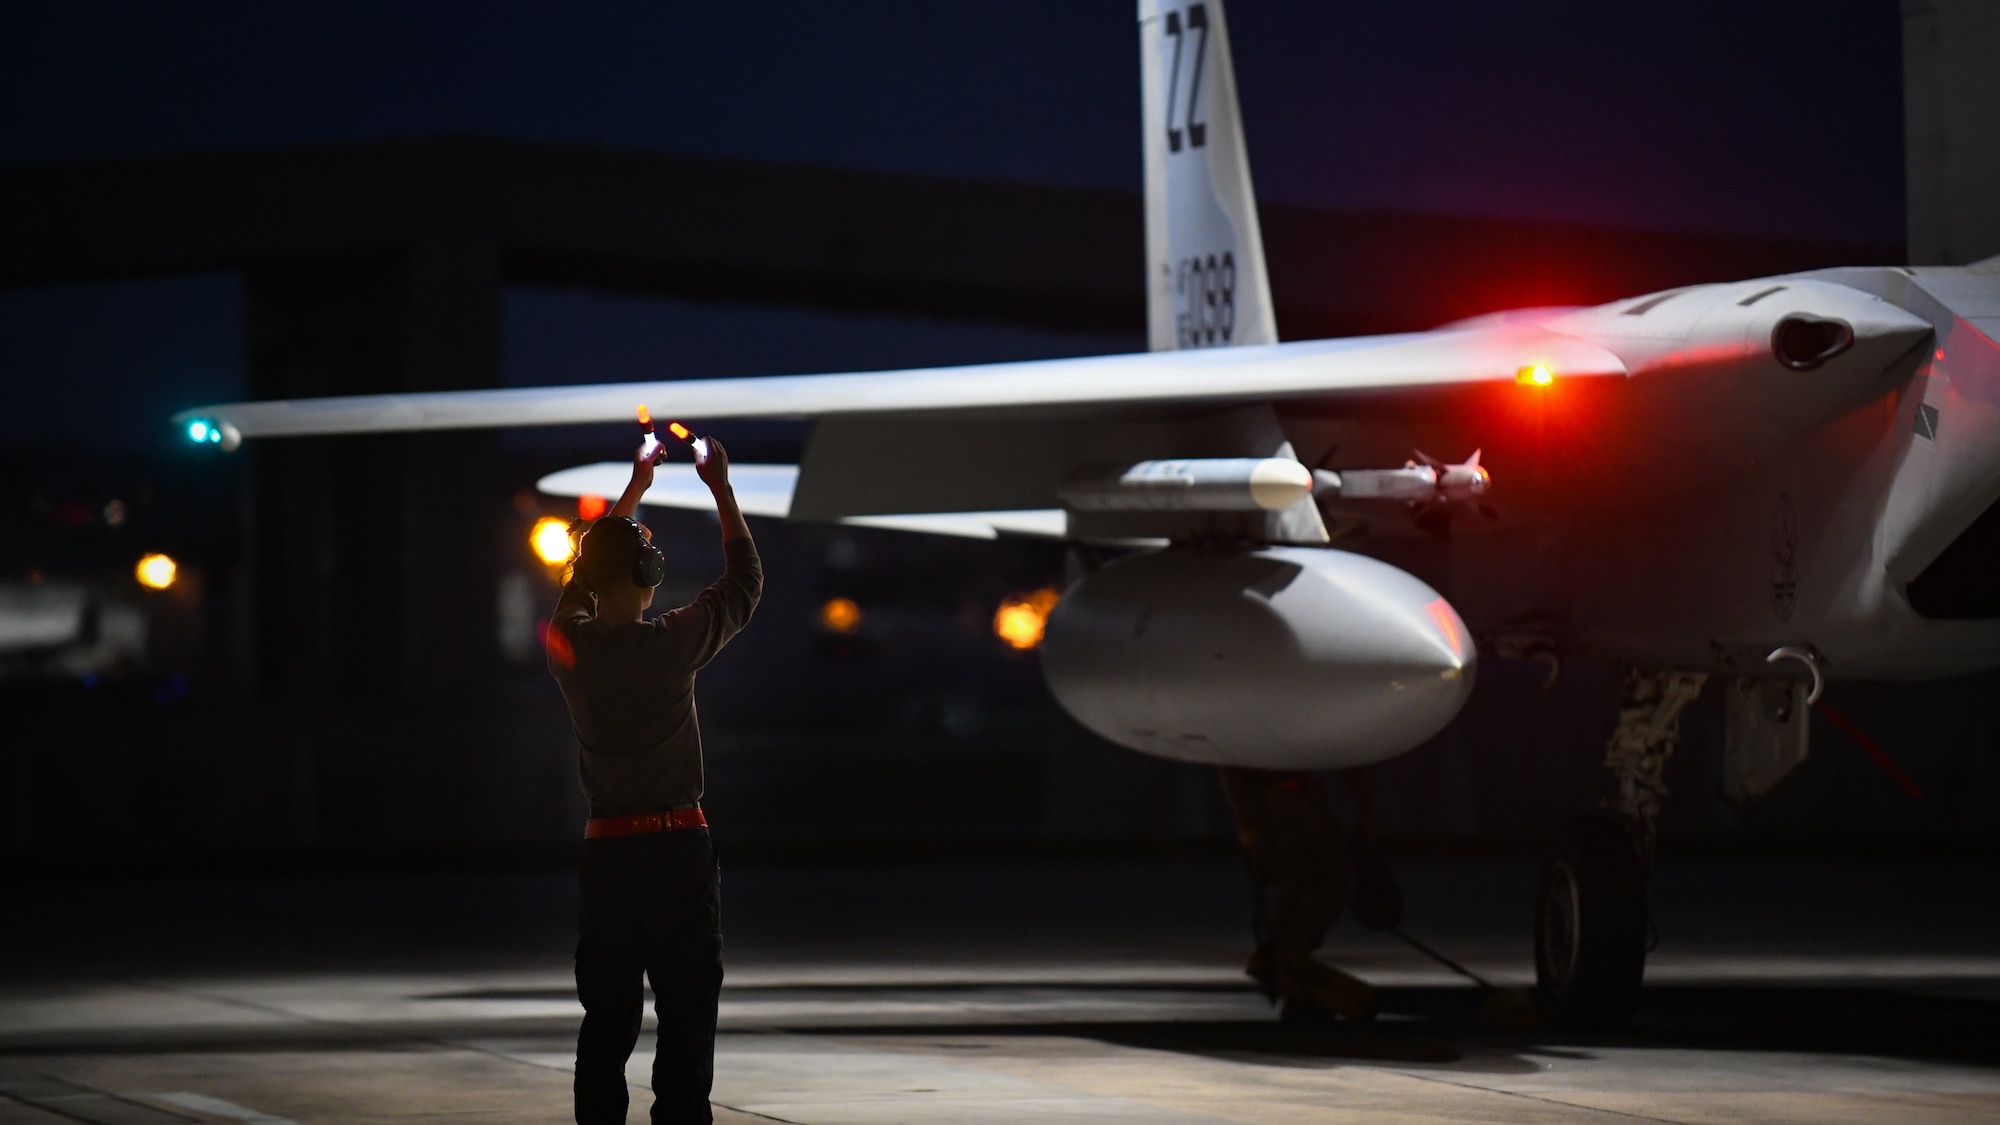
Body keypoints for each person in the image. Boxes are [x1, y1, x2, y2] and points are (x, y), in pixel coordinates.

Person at [547, 432, 762, 1125]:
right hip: (676, 851)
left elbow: (579, 578)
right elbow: (745, 581)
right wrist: (720, 488)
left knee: (605, 1021)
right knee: (687, 1017)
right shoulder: (672, 644)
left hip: (607, 851)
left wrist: (635, 487)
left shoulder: (568, 647)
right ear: (650, 572)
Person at [1218, 766, 1378, 1022]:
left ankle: (1291, 961)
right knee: (1291, 888)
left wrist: (1366, 809)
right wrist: (1245, 822)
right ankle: (1289, 967)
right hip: (1270, 801)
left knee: (1332, 882)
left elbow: (1348, 759)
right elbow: (1230, 765)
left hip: (1308, 796)